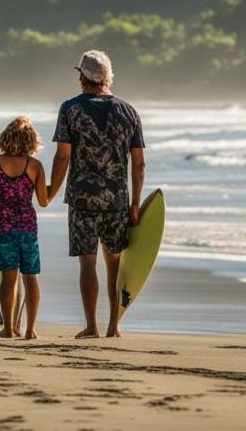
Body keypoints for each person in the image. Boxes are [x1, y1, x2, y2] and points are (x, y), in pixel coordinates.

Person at [48, 51, 145, 339]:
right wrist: (136, 202)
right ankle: (114, 326)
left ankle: (92, 326)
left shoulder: (70, 109)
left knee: (87, 261)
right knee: (114, 261)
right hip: (117, 199)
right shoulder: (129, 111)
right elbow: (138, 163)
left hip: (82, 197)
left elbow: (62, 157)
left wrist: (50, 192)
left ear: (83, 77)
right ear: (107, 76)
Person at [0, 117, 49, 339]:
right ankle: (30, 330)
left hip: (5, 227)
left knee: (8, 279)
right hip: (27, 226)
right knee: (31, 277)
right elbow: (44, 201)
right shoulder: (34, 166)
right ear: (30, 141)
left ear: (6, 137)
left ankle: (8, 330)